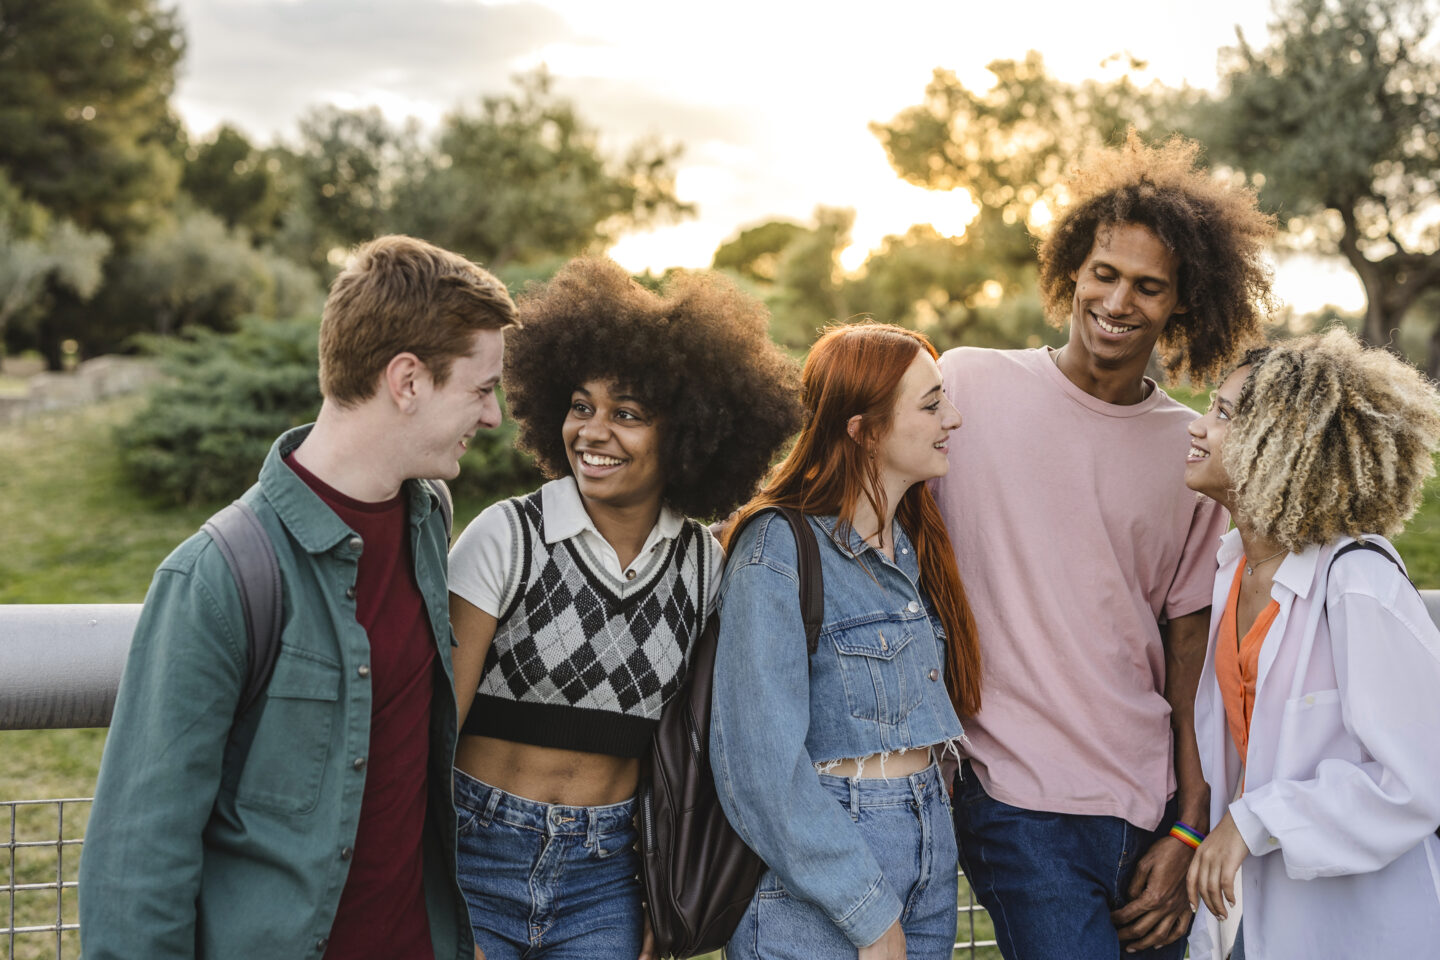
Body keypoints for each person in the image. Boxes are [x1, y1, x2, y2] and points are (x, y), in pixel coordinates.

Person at [79, 235, 518, 960]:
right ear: (407, 380)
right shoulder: (218, 578)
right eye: (480, 388)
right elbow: (137, 865)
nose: (494, 415)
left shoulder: (428, 519)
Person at [933, 132, 1276, 959]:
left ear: (1181, 304)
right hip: (1013, 797)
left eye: (1149, 287)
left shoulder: (1191, 450)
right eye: (1105, 274)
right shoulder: (967, 386)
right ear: (1071, 275)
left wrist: (1191, 822)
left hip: (1148, 799)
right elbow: (858, 496)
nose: (1120, 302)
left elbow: (1187, 642)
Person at [444, 258, 801, 960]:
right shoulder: (507, 538)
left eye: (626, 414)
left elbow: (686, 744)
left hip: (605, 875)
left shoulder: (704, 568)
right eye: (581, 406)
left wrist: (655, 890)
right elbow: (430, 736)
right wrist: (434, 892)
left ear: (690, 433)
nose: (592, 432)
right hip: (474, 857)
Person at [709, 322, 983, 960]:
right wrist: (866, 912)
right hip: (828, 865)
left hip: (928, 848)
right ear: (864, 430)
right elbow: (759, 769)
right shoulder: (778, 547)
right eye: (932, 403)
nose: (956, 417)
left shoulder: (911, 548)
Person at [1183, 328, 1440, 960]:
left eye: (1223, 414)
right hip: (1255, 908)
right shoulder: (1234, 565)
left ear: (1280, 445)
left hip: (1363, 924)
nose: (1198, 426)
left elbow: (1417, 780)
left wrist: (1255, 821)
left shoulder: (1358, 582)